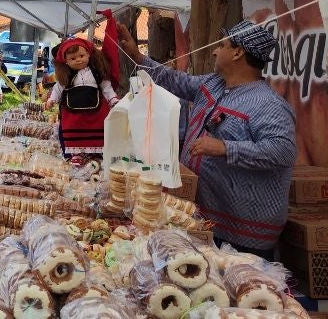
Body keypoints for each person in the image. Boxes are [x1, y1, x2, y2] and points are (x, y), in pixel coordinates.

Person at [118, 21, 296, 259]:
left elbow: (282, 151)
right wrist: (137, 55)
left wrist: (225, 147)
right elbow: (174, 80)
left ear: (237, 52)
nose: (214, 51)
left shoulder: (268, 104)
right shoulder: (213, 84)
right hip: (203, 217)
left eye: (221, 45)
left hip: (243, 231)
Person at [43, 38, 119, 162]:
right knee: (72, 129)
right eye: (73, 58)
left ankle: (96, 153)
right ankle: (76, 154)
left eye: (81, 56)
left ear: (88, 54)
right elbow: (57, 89)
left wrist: (113, 100)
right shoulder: (67, 76)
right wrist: (52, 100)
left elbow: (107, 88)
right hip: (73, 112)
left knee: (97, 128)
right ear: (66, 61)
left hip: (96, 110)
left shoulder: (97, 73)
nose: (78, 60)